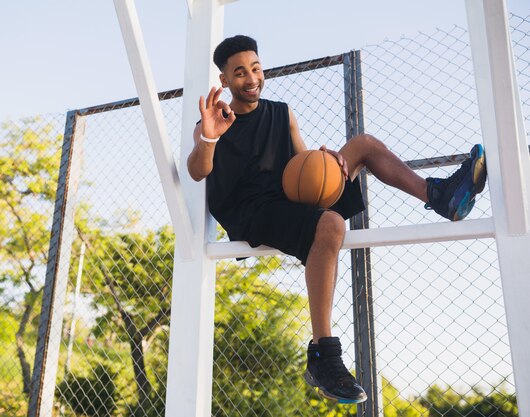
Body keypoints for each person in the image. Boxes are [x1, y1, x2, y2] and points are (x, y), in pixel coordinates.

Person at [186, 35, 487, 404]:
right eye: (239, 73)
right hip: (253, 210)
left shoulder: (282, 113)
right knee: (330, 224)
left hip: (288, 197)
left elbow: (300, 164)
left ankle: (441, 196)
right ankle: (323, 355)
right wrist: (210, 138)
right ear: (224, 80)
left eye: (256, 68)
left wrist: (325, 159)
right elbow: (198, 171)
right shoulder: (215, 121)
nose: (251, 78)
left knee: (362, 145)